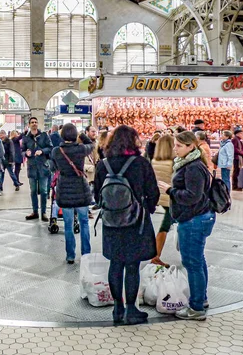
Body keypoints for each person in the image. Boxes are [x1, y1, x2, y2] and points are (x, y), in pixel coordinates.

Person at [93, 125, 160, 325]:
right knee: (132, 265)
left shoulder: (103, 164)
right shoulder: (140, 163)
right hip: (136, 222)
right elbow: (153, 191)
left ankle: (117, 308)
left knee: (115, 263)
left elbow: (97, 194)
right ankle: (132, 310)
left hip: (111, 222)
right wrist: (146, 208)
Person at [157, 131, 214, 321]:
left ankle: (196, 307)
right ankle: (201, 298)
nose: (175, 148)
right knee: (198, 260)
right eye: (175, 145)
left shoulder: (193, 168)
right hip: (197, 218)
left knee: (192, 263)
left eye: (179, 145)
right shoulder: (192, 164)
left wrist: (170, 190)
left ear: (191, 146)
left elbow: (192, 196)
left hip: (193, 220)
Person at [51, 124, 94, 264]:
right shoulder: (81, 149)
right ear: (75, 135)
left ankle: (70, 255)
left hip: (65, 190)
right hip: (81, 189)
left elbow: (54, 168)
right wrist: (82, 135)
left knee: (68, 225)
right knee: (84, 223)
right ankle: (86, 254)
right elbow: (91, 144)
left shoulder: (57, 151)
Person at [150, 135, 174, 267]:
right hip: (169, 199)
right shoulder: (173, 163)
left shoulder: (154, 161)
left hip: (158, 198)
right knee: (163, 228)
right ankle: (156, 256)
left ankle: (155, 254)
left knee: (160, 227)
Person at [23, 117, 53, 221]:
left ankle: (43, 212)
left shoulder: (44, 135)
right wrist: (26, 153)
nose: (34, 124)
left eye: (36, 122)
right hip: (32, 167)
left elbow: (50, 147)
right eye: (32, 122)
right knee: (33, 191)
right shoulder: (26, 137)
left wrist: (42, 151)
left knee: (44, 191)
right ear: (29, 124)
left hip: (42, 167)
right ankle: (35, 211)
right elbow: (22, 150)